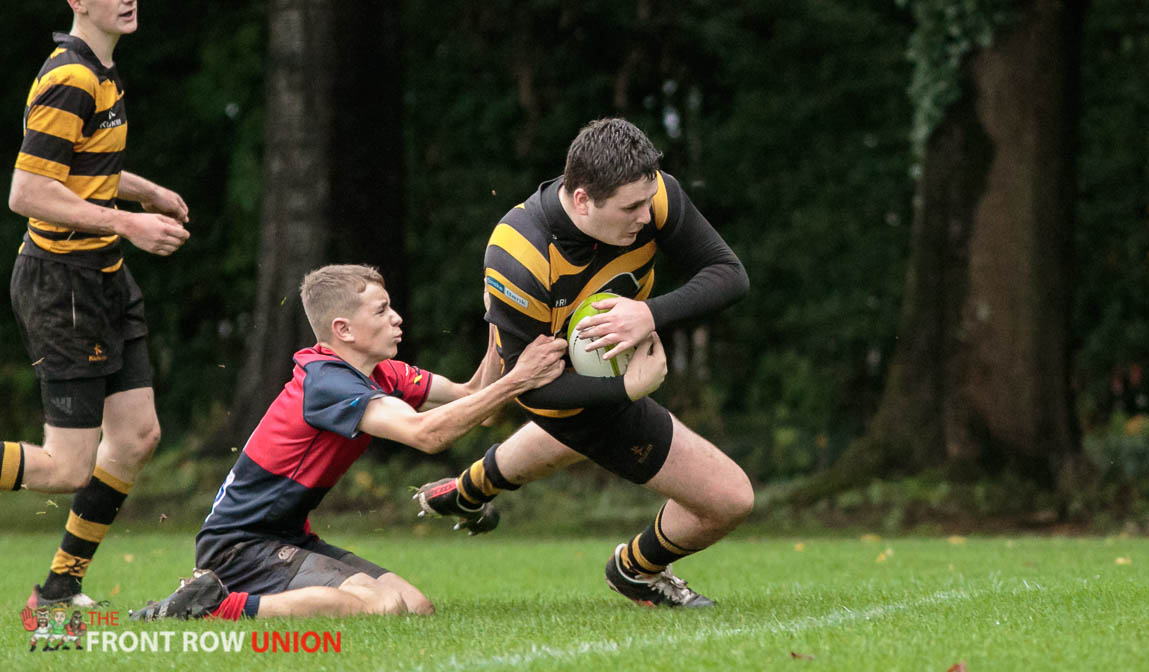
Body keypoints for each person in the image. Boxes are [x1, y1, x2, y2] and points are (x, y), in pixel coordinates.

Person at [415, 118, 752, 608]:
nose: (644, 216)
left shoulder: (653, 194)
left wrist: (647, 313)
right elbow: (529, 391)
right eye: (630, 208)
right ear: (581, 201)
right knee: (730, 499)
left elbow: (730, 275)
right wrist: (626, 391)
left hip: (599, 375)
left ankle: (468, 490)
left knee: (574, 438)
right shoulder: (517, 255)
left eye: (647, 199)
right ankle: (637, 570)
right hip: (556, 391)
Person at [132, 264, 568, 620]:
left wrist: (500, 326)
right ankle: (208, 606)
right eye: (381, 311)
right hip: (240, 547)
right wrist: (519, 379)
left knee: (416, 607)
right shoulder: (327, 383)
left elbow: (477, 400)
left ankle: (215, 600)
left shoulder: (380, 372)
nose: (396, 318)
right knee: (381, 606)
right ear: (343, 329)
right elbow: (427, 434)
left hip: (285, 536)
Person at [4, 0, 193, 610]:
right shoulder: (71, 77)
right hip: (63, 285)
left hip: (104, 277)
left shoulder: (102, 70)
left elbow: (80, 170)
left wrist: (149, 191)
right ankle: (58, 592)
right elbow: (28, 192)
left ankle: (59, 589)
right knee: (66, 468)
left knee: (136, 435)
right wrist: (129, 225)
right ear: (78, 1)